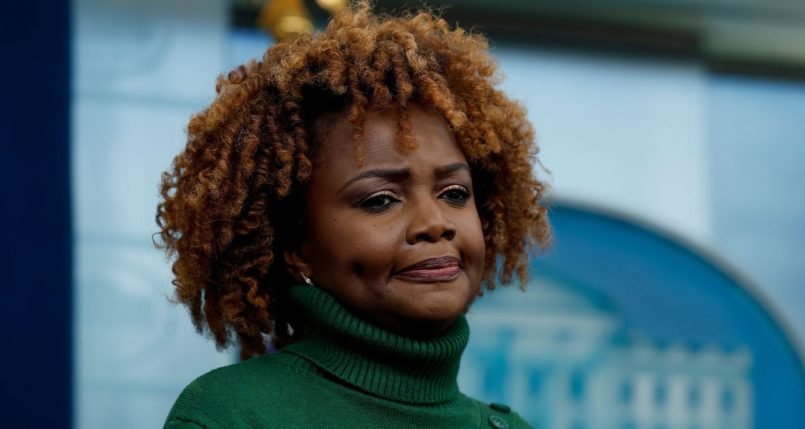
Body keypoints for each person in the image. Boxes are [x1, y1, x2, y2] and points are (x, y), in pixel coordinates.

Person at [156, 2, 550, 428]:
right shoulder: (229, 415)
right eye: (380, 200)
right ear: (296, 247)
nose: (436, 223)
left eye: (455, 193)